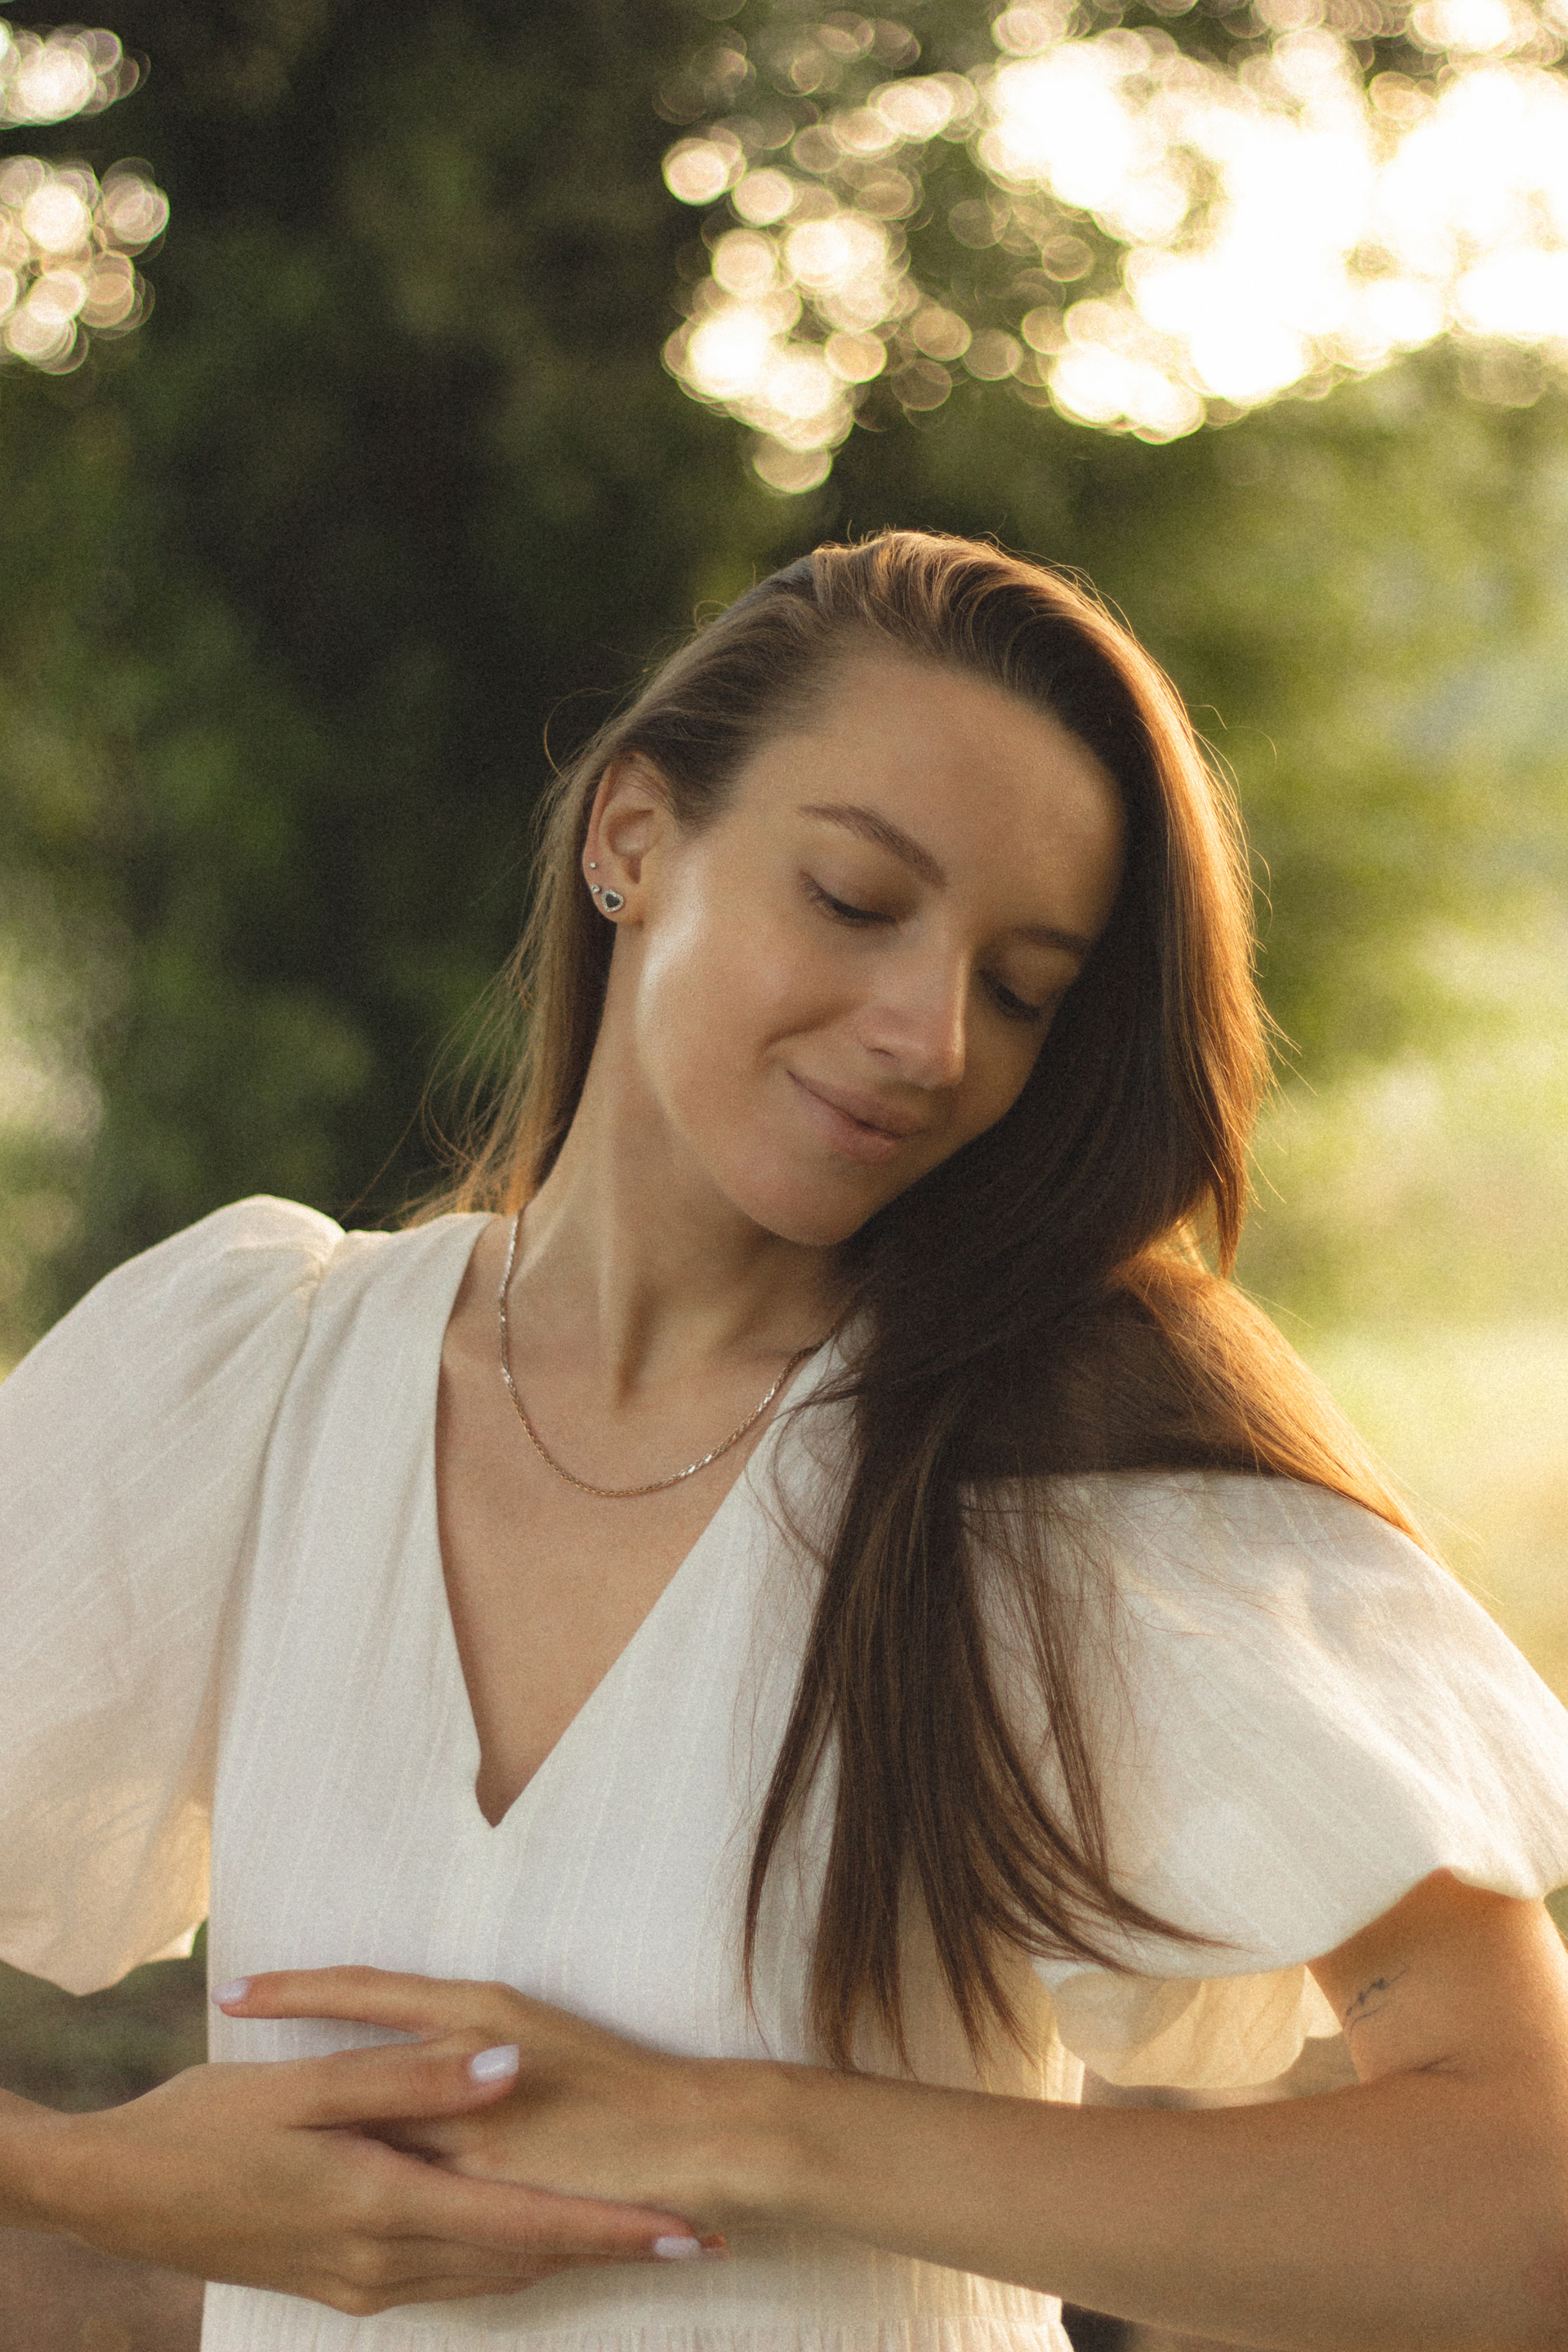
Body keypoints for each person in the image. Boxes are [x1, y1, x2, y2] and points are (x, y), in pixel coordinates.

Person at [2, 529, 1567, 2352]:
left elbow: (1521, 2209)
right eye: (854, 898)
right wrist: (90, 2178)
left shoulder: (1065, 1474)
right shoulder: (255, 1384)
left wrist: (746, 2133)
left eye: (1022, 989)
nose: (932, 1036)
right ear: (631, 838)